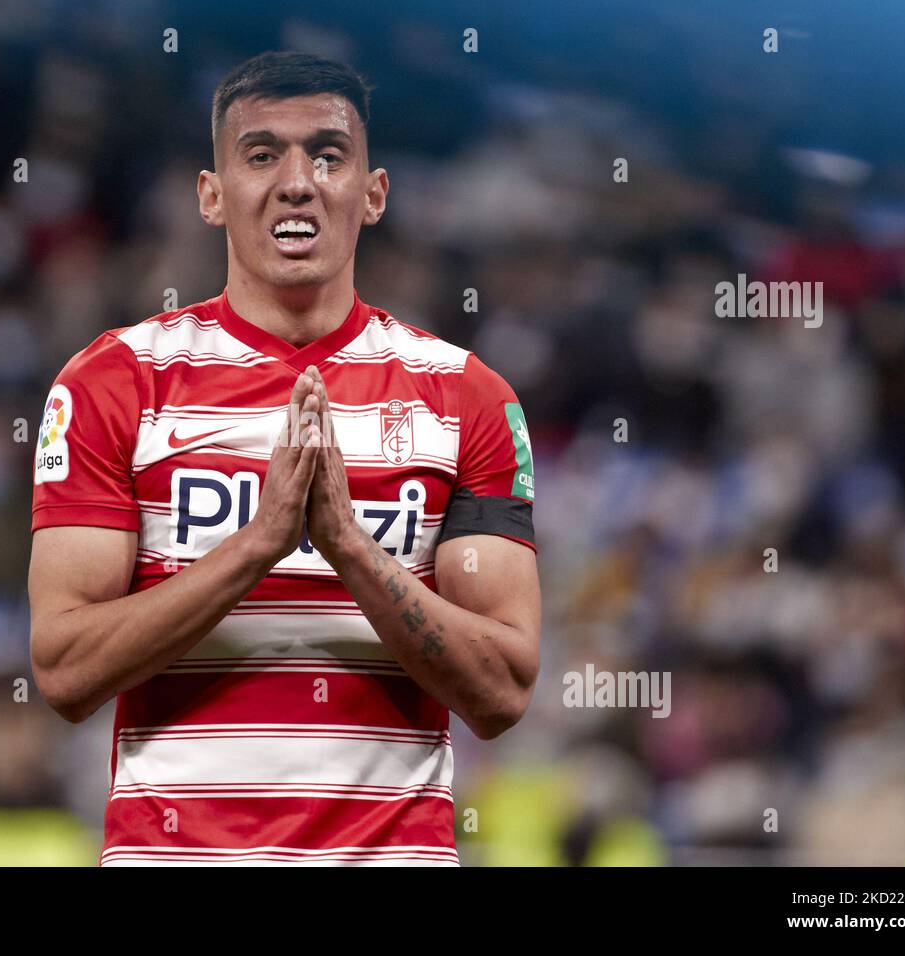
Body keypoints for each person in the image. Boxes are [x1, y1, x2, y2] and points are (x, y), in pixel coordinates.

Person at [28, 50, 541, 865]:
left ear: (373, 195)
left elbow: (504, 690)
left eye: (328, 155)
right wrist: (260, 542)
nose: (297, 182)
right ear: (211, 194)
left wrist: (346, 544)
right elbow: (64, 672)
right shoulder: (113, 383)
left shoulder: (469, 398)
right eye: (261, 154)